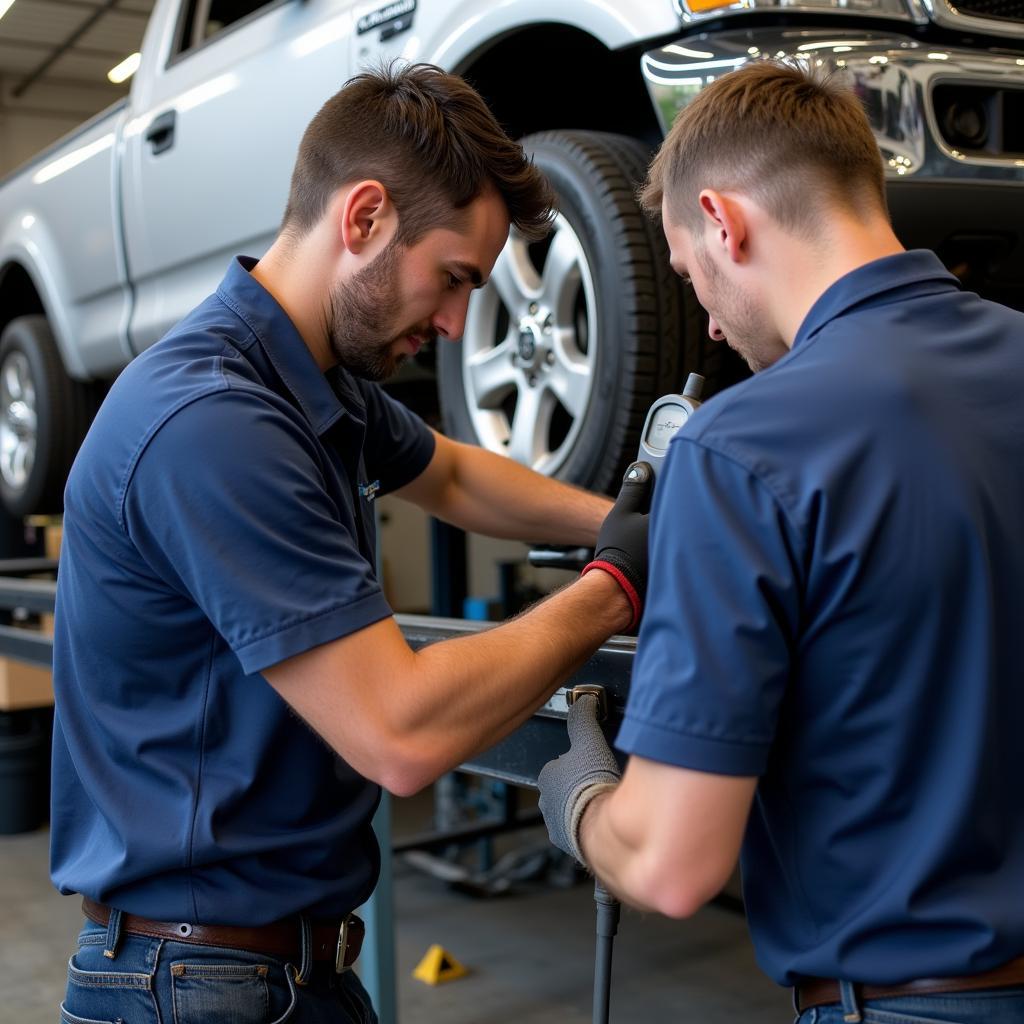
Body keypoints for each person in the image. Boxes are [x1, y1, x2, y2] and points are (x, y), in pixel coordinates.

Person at [50, 63, 652, 1024]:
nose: (458, 325)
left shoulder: (302, 382)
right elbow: (400, 734)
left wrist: (622, 521)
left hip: (268, 973)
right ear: (365, 216)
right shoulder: (215, 422)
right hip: (196, 986)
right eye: (451, 279)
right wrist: (616, 586)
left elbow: (451, 473)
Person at [537, 60, 1024, 1022]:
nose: (709, 325)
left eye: (692, 277)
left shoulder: (741, 446)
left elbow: (675, 865)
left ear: (723, 220)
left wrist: (583, 798)